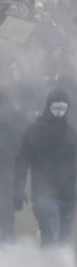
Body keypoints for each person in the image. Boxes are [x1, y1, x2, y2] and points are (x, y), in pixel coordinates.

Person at [14, 89, 77, 246]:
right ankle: (49, 266)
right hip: (44, 192)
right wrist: (19, 187)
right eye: (55, 108)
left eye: (62, 109)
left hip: (68, 194)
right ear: (48, 107)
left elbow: (76, 163)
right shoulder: (35, 131)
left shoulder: (71, 133)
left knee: (65, 239)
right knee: (50, 234)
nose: (58, 113)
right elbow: (22, 160)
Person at [0, 89, 29, 242]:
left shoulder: (15, 119)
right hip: (9, 171)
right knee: (6, 216)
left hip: (8, 170)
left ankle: (8, 248)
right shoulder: (18, 118)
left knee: (6, 213)